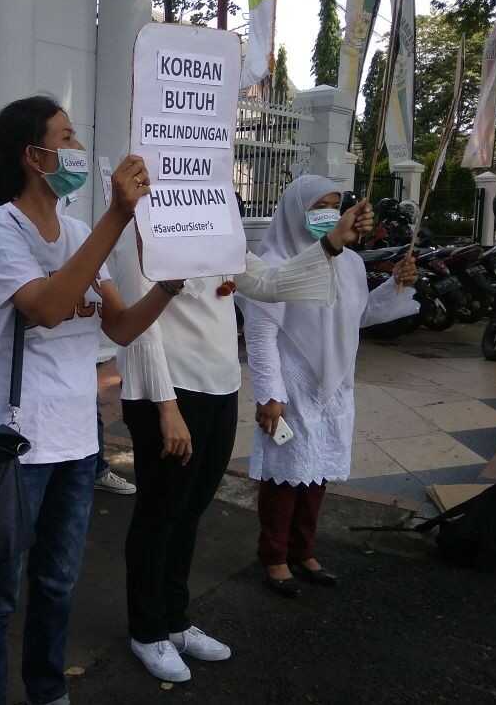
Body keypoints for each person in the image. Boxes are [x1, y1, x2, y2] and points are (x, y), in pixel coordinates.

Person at [112, 176, 375, 683]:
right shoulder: (147, 229)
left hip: (218, 389)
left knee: (189, 513)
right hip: (169, 393)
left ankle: (175, 619)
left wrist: (332, 242)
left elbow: (273, 285)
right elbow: (140, 332)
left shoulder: (224, 239)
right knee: (159, 513)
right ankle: (146, 630)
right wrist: (166, 406)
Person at [0, 95, 179, 705]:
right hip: (15, 441)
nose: (78, 149)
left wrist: (170, 285)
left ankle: (47, 691)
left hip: (78, 439)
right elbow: (51, 308)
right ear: (34, 155)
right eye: (67, 137)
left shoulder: (81, 232)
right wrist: (117, 215)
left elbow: (120, 327)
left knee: (57, 582)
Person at [240, 176, 418, 596]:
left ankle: (304, 550)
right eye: (318, 205)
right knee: (284, 476)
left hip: (335, 384)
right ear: (296, 210)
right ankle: (275, 555)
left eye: (335, 205)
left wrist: (397, 285)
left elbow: (363, 316)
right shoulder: (276, 261)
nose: (328, 214)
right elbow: (261, 334)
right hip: (292, 383)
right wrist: (270, 395)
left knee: (316, 472)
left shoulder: (351, 264)